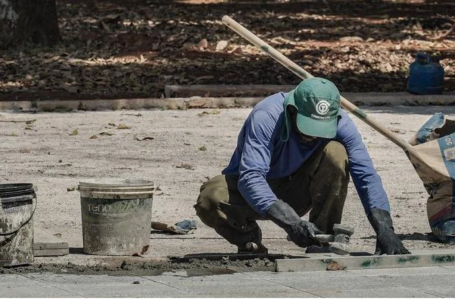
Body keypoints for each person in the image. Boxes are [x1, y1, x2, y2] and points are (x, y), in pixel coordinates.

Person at [194, 77, 410, 255]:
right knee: (209, 199)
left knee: (336, 153)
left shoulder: (342, 123)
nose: (312, 135)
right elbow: (251, 178)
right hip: (249, 191)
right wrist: (291, 222)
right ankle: (249, 240)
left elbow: (367, 176)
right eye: (308, 126)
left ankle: (321, 241)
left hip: (297, 190)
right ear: (292, 109)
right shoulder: (266, 116)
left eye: (320, 128)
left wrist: (385, 229)